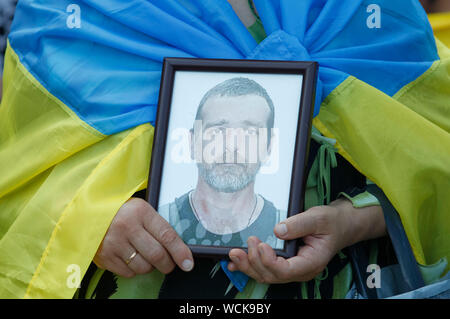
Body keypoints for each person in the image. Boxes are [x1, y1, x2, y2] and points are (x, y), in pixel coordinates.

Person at [1, 0, 448, 299]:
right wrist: (92, 221)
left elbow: (432, 150)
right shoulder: (70, 11)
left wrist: (355, 220)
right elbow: (22, 173)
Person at [159, 77, 284, 250]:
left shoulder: (288, 230)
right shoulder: (156, 221)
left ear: (269, 146)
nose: (231, 146)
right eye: (217, 131)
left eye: (249, 132)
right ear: (192, 142)